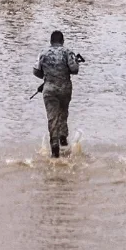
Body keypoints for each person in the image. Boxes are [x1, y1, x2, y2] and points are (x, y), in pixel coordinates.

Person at [33, 30, 80, 158]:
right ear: (62, 41)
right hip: (65, 88)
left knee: (52, 117)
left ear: (51, 41)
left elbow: (36, 71)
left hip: (49, 89)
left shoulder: (42, 53)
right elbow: (74, 70)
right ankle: (63, 140)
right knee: (63, 113)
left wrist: (47, 77)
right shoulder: (68, 52)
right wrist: (75, 62)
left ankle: (54, 147)